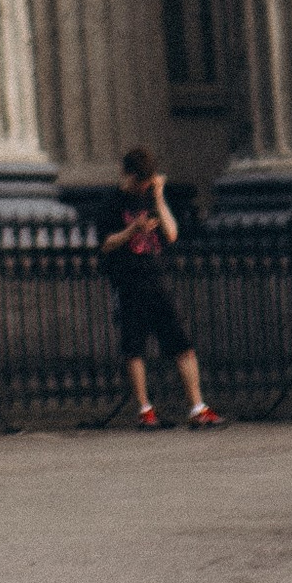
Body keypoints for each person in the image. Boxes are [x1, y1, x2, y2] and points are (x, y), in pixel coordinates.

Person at [101, 149, 222, 429]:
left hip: (158, 280)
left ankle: (197, 407)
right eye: (140, 182)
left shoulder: (151, 198)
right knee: (134, 348)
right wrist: (133, 230)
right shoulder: (112, 202)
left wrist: (158, 196)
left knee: (182, 344)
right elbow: (106, 244)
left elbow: (171, 233)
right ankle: (145, 410)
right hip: (129, 282)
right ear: (128, 176)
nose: (143, 187)